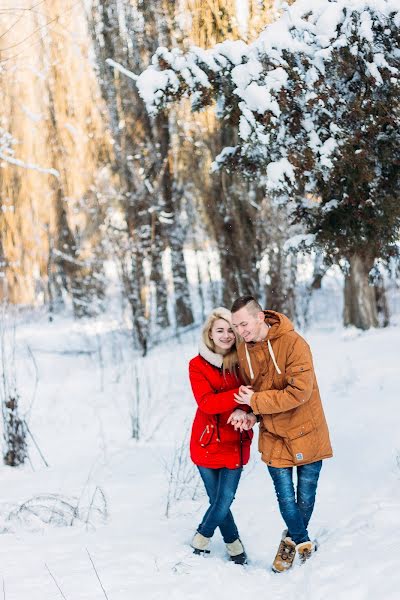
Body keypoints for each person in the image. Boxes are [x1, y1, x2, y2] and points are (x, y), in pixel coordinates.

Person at [229, 295, 332, 573]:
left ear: (260, 316)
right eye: (236, 327)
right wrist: (251, 415)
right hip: (274, 433)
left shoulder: (295, 344)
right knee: (286, 500)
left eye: (244, 324)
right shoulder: (243, 351)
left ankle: (290, 542)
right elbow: (253, 395)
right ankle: (304, 543)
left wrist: (256, 403)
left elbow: (300, 392)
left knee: (305, 499)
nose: (241, 331)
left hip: (306, 429)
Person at [188, 307, 253, 565]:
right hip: (205, 442)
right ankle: (234, 545)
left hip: (235, 442)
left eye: (230, 330)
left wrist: (245, 407)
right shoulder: (197, 365)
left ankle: (201, 536)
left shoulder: (245, 362)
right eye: (220, 330)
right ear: (210, 334)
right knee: (218, 500)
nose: (226, 335)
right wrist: (240, 395)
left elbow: (254, 397)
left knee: (224, 499)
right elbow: (206, 403)